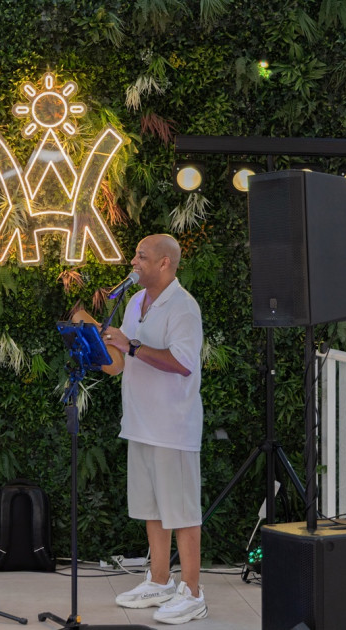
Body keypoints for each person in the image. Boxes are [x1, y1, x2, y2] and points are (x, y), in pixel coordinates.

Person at [103, 234, 206, 624]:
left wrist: (130, 346)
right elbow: (120, 363)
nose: (133, 261)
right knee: (153, 509)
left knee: (182, 512)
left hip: (172, 427)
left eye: (141, 256)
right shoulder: (134, 302)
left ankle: (193, 593)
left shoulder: (183, 307)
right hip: (140, 423)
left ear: (165, 263)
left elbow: (182, 363)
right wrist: (97, 348)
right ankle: (160, 581)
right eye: (135, 255)